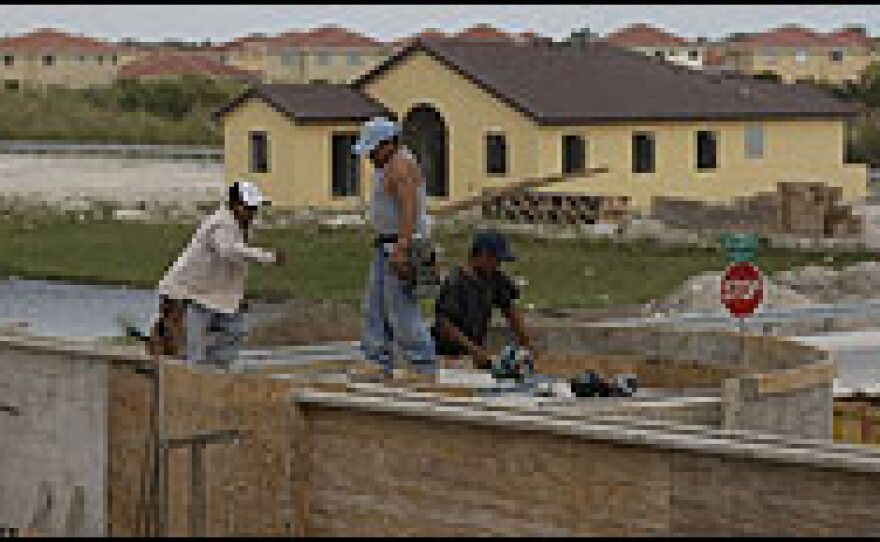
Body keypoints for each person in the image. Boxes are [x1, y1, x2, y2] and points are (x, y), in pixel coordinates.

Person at [156, 180, 283, 369]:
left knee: (236, 331)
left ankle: (211, 374)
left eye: (254, 207)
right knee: (193, 348)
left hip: (213, 294)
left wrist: (238, 295)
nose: (252, 212)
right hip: (189, 294)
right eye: (247, 207)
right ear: (233, 204)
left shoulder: (242, 226)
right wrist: (266, 256)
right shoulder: (221, 223)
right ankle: (194, 377)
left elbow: (233, 264)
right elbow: (229, 251)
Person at [353, 117, 436, 376]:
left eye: (373, 149)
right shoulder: (389, 165)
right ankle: (377, 359)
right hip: (386, 244)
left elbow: (409, 209)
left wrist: (402, 247)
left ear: (388, 144)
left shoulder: (400, 167)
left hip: (399, 245)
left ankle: (421, 363)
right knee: (375, 305)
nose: (370, 156)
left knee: (401, 308)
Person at [432, 231, 533, 371]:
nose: (498, 265)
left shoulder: (494, 278)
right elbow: (445, 325)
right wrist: (475, 351)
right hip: (449, 353)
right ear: (483, 255)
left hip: (475, 351)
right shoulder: (455, 282)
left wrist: (527, 343)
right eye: (496, 260)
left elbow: (510, 310)